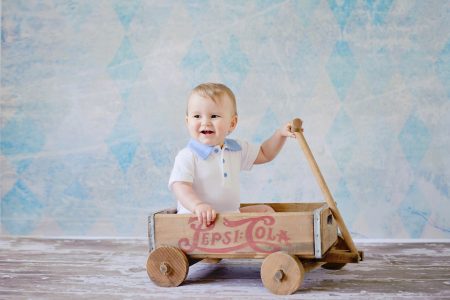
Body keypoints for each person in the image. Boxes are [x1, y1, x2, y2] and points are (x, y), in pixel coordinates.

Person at [168, 83, 297, 226]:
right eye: (197, 116)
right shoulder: (188, 155)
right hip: (196, 219)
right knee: (202, 216)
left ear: (232, 123)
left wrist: (280, 134)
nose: (205, 122)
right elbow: (180, 186)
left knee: (266, 211)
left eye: (214, 116)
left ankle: (265, 244)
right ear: (188, 122)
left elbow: (265, 153)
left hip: (229, 216)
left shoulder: (236, 149)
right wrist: (197, 206)